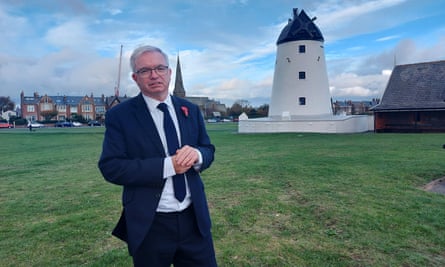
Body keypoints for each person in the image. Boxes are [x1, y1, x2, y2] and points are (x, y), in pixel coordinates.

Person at [98, 45, 217, 267]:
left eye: (160, 68)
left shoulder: (190, 110)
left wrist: (198, 155)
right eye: (145, 70)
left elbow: (208, 149)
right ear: (135, 78)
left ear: (169, 72)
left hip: (194, 220)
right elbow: (111, 167)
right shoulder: (120, 116)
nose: (154, 75)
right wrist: (168, 166)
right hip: (150, 223)